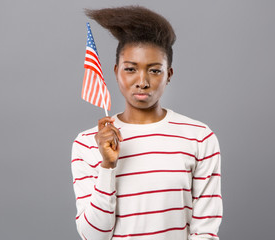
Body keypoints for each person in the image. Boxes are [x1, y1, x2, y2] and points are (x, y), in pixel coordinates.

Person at [71, 6, 222, 240]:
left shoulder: (200, 138)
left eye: (154, 70)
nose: (142, 81)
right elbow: (94, 236)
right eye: (130, 69)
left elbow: (205, 231)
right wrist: (107, 166)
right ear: (116, 71)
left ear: (169, 74)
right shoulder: (87, 144)